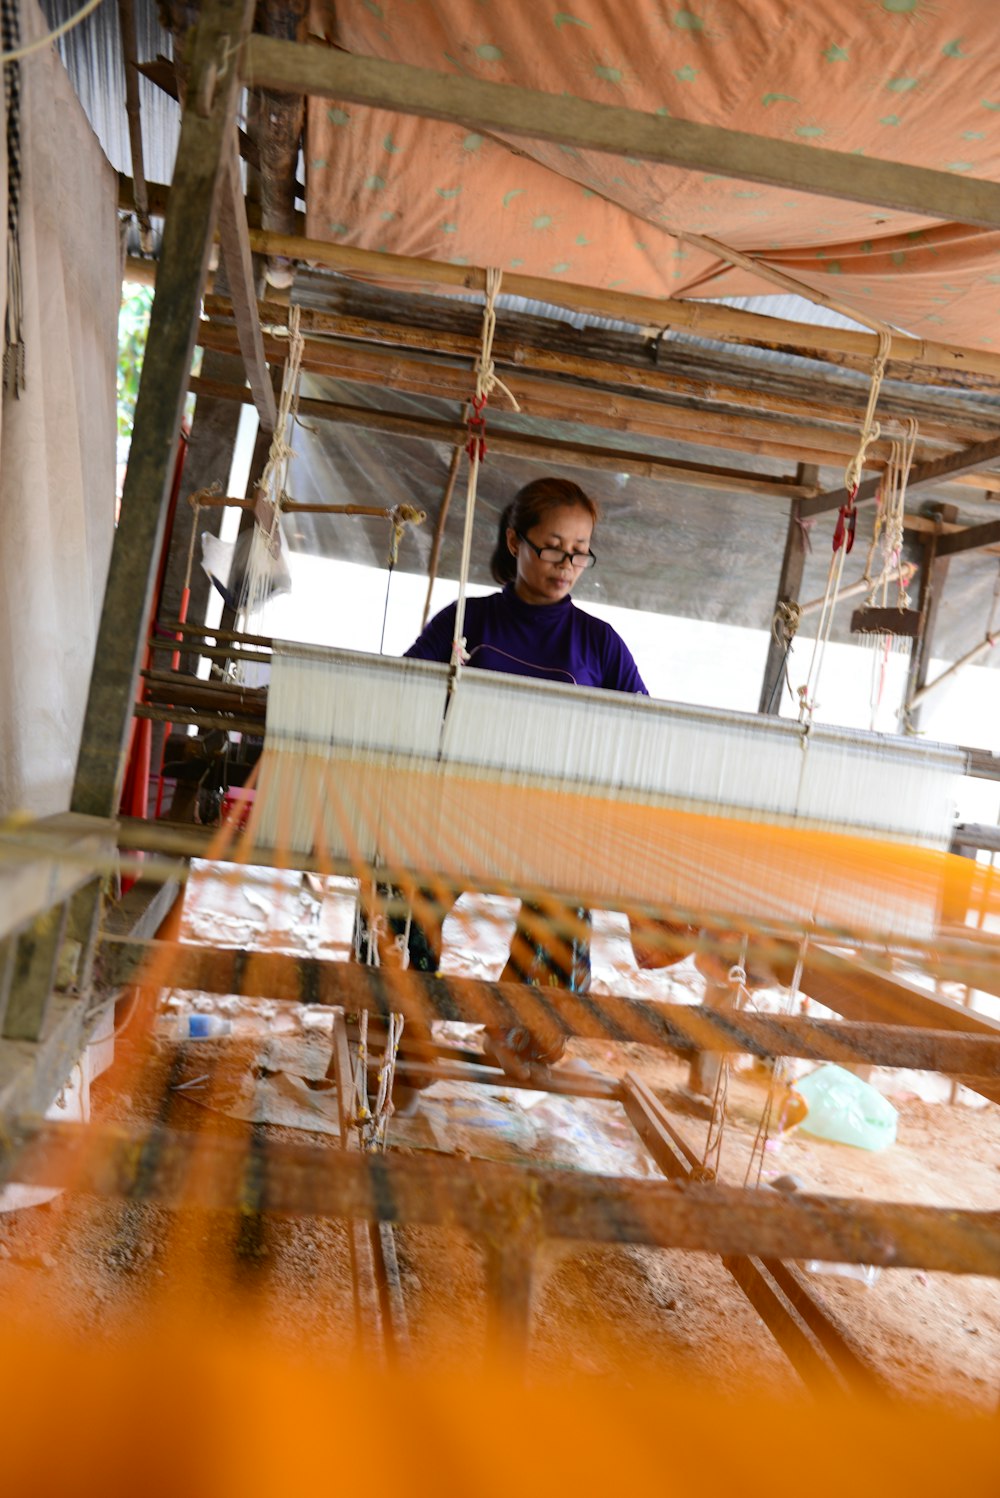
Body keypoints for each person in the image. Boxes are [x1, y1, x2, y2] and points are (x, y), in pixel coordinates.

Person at [355, 477, 651, 1080]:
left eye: (580, 551)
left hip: (550, 824)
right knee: (399, 886)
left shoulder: (599, 643)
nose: (567, 564)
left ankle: (520, 1031)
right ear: (515, 541)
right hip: (458, 811)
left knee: (564, 904)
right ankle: (401, 1021)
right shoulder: (467, 622)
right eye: (552, 547)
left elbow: (641, 732)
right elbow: (405, 696)